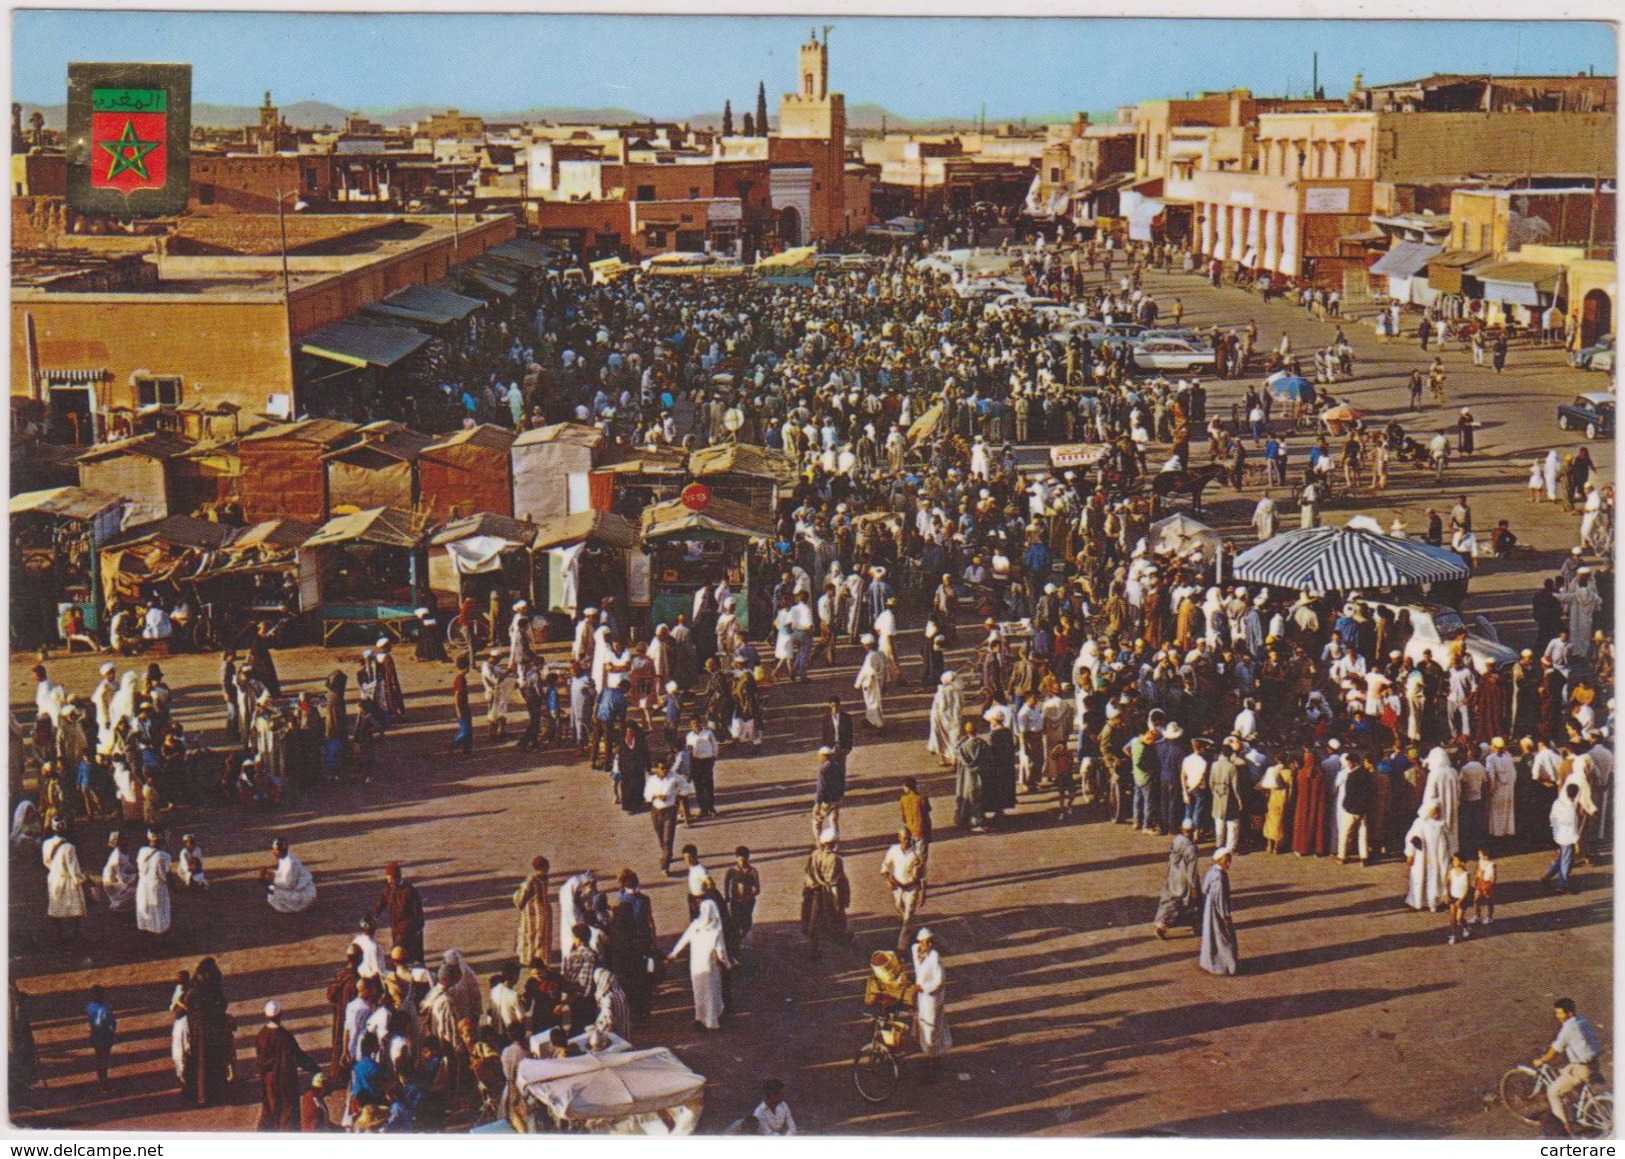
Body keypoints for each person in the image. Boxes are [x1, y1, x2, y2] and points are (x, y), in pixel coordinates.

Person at [1534, 998, 1603, 1136]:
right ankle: (1579, 1102)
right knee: (1565, 1071)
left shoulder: (1568, 1027)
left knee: (1553, 1092)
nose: (1557, 1016)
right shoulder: (1583, 1021)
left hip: (1581, 1068)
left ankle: (1566, 1125)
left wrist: (1542, 1060)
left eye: (1560, 1013)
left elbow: (1556, 1049)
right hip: (1594, 1063)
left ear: (1569, 1013)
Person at [666, 893, 731, 1031]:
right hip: (710, 965)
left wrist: (672, 955)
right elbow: (721, 952)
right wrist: (727, 965)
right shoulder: (716, 930)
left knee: (699, 991)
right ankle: (712, 1020)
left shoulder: (695, 925)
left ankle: (700, 1017)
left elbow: (683, 941)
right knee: (712, 992)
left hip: (696, 965)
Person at [256, 1000, 320, 1131]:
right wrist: (315, 1069)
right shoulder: (284, 1036)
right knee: (287, 1115)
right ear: (281, 1014)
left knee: (270, 1110)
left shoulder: (261, 1035)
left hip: (268, 1081)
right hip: (285, 1081)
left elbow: (260, 1060)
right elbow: (299, 1056)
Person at [801, 830, 851, 959]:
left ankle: (815, 947)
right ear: (834, 843)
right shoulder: (835, 859)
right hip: (828, 893)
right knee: (835, 916)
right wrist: (837, 902)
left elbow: (809, 874)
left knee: (813, 920)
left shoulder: (815, 855)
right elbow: (834, 882)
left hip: (813, 891)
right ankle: (840, 937)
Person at [911, 928, 952, 1080]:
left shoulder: (935, 957)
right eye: (924, 941)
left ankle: (933, 1059)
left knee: (931, 1028)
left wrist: (924, 988)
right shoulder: (917, 951)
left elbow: (940, 981)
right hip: (922, 996)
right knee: (923, 1024)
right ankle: (929, 1054)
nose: (927, 944)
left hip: (932, 998)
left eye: (929, 942)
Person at [42, 819, 88, 947]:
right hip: (67, 879)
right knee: (75, 907)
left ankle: (59, 935)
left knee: (55, 906)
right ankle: (76, 935)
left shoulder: (46, 844)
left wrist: (56, 869)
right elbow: (73, 868)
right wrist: (81, 880)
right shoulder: (69, 847)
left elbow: (46, 861)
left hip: (53, 877)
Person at [881, 828, 926, 954]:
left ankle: (901, 948)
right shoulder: (893, 851)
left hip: (912, 889)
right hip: (898, 889)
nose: (906, 841)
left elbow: (923, 875)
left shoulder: (916, 854)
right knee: (899, 908)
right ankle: (907, 928)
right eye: (903, 839)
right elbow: (884, 867)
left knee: (908, 918)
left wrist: (923, 893)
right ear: (899, 838)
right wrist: (888, 880)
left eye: (908, 838)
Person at [1152, 821, 1200, 939]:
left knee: (1169, 901)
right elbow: (1192, 870)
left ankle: (1161, 925)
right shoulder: (1191, 848)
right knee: (1193, 903)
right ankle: (1196, 925)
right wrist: (1193, 886)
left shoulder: (1176, 841)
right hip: (1185, 880)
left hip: (1173, 876)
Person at [372, 862, 425, 964]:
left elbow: (417, 911)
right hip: (395, 927)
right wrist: (374, 914)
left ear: (396, 877)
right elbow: (382, 901)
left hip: (406, 929)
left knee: (400, 953)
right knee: (400, 953)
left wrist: (418, 928)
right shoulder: (390, 888)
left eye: (390, 878)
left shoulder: (409, 890)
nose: (388, 880)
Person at [1198, 848, 1238, 975]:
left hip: (1210, 908)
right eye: (1226, 861)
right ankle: (1226, 966)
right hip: (1217, 912)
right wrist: (1225, 915)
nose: (1228, 864)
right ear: (1219, 860)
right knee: (1224, 938)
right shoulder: (1220, 878)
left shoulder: (1211, 871)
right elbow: (1221, 899)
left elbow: (1204, 888)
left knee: (1211, 936)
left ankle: (1209, 963)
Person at [1404, 804, 1449, 912]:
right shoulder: (1419, 823)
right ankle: (1416, 902)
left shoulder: (1440, 824)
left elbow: (1444, 842)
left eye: (1437, 812)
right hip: (1421, 857)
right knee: (1419, 878)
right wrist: (1410, 854)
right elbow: (1411, 838)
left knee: (1434, 879)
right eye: (1433, 812)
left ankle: (1433, 902)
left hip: (1436, 858)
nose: (1436, 815)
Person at [1541, 782, 1582, 893]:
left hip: (1558, 834)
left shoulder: (1558, 802)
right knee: (1566, 861)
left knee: (1563, 857)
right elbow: (1573, 826)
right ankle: (1562, 885)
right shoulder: (1570, 808)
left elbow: (1552, 818)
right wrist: (1577, 842)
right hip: (1568, 837)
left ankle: (1548, 875)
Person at [513, 855, 552, 967]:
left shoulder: (531, 880)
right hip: (544, 912)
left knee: (531, 936)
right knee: (541, 937)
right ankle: (541, 959)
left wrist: (517, 898)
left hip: (532, 914)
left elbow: (520, 899)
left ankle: (530, 960)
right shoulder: (545, 878)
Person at [722, 847, 760, 962]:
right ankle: (735, 951)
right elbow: (726, 881)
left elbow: (757, 889)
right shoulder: (732, 871)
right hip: (735, 902)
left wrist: (750, 895)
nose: (741, 862)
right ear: (736, 859)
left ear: (747, 859)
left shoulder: (752, 872)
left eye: (743, 860)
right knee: (735, 924)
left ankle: (738, 941)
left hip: (747, 903)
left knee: (746, 924)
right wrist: (727, 895)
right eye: (739, 860)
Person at [135, 828, 173, 938]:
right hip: (157, 887)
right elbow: (167, 875)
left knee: (146, 910)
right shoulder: (164, 856)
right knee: (159, 912)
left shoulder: (142, 851)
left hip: (142, 886)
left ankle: (148, 937)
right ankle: (161, 938)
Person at [265, 837, 317, 913]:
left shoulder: (289, 863)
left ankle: (297, 907)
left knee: (271, 893)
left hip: (303, 895)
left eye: (275, 850)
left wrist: (272, 878)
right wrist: (273, 874)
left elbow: (289, 885)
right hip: (308, 891)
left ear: (278, 851)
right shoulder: (288, 857)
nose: (273, 852)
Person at [85, 984, 116, 1091]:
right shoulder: (106, 1008)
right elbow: (111, 1023)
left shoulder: (89, 1006)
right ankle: (104, 1082)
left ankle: (101, 1080)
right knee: (104, 1059)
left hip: (95, 1034)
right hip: (105, 1035)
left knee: (99, 1058)